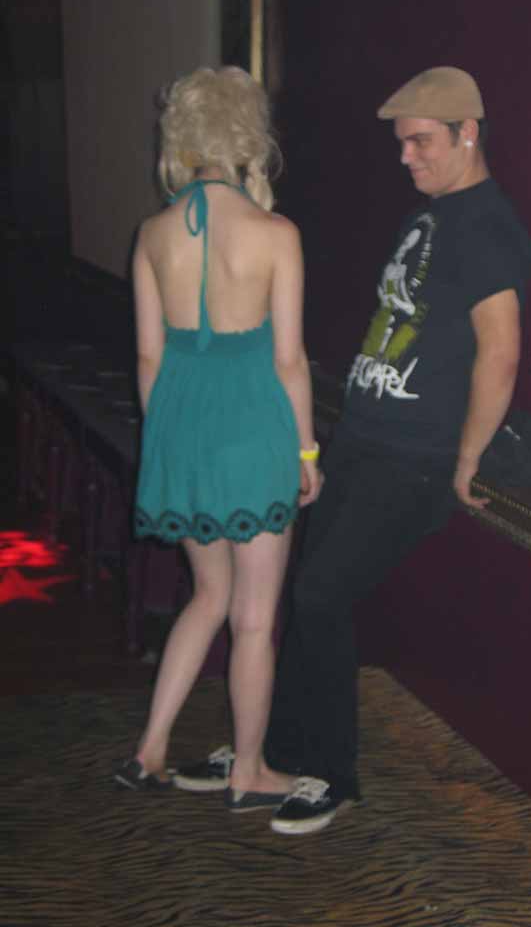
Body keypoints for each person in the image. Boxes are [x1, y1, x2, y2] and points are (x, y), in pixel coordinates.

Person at [176, 66, 531, 834]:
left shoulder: (489, 227)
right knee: (306, 595)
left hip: (416, 455)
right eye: (402, 143)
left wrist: (468, 457)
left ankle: (331, 773)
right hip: (365, 437)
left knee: (320, 595)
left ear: (468, 133)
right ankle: (266, 753)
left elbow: (501, 351)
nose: (406, 156)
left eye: (420, 141)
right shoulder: (428, 218)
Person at [115, 66, 322, 812]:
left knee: (206, 596)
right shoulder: (276, 235)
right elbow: (290, 360)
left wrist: (169, 439)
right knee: (254, 618)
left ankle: (150, 749)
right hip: (256, 429)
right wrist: (306, 452)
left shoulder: (151, 234)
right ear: (248, 136)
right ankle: (249, 771)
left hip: (183, 428)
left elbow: (148, 358)